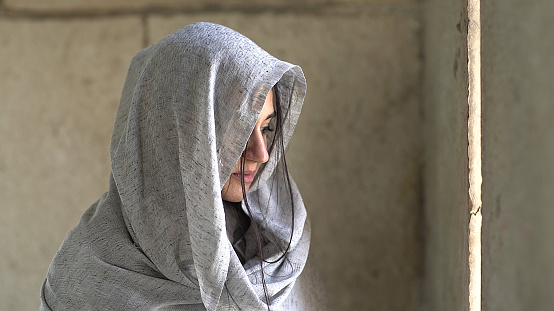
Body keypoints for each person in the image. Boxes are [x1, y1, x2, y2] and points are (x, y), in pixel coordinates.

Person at [40, 22, 326, 310]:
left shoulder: (280, 249)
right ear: (175, 134)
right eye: (237, 130)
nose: (261, 154)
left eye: (267, 127)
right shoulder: (86, 278)